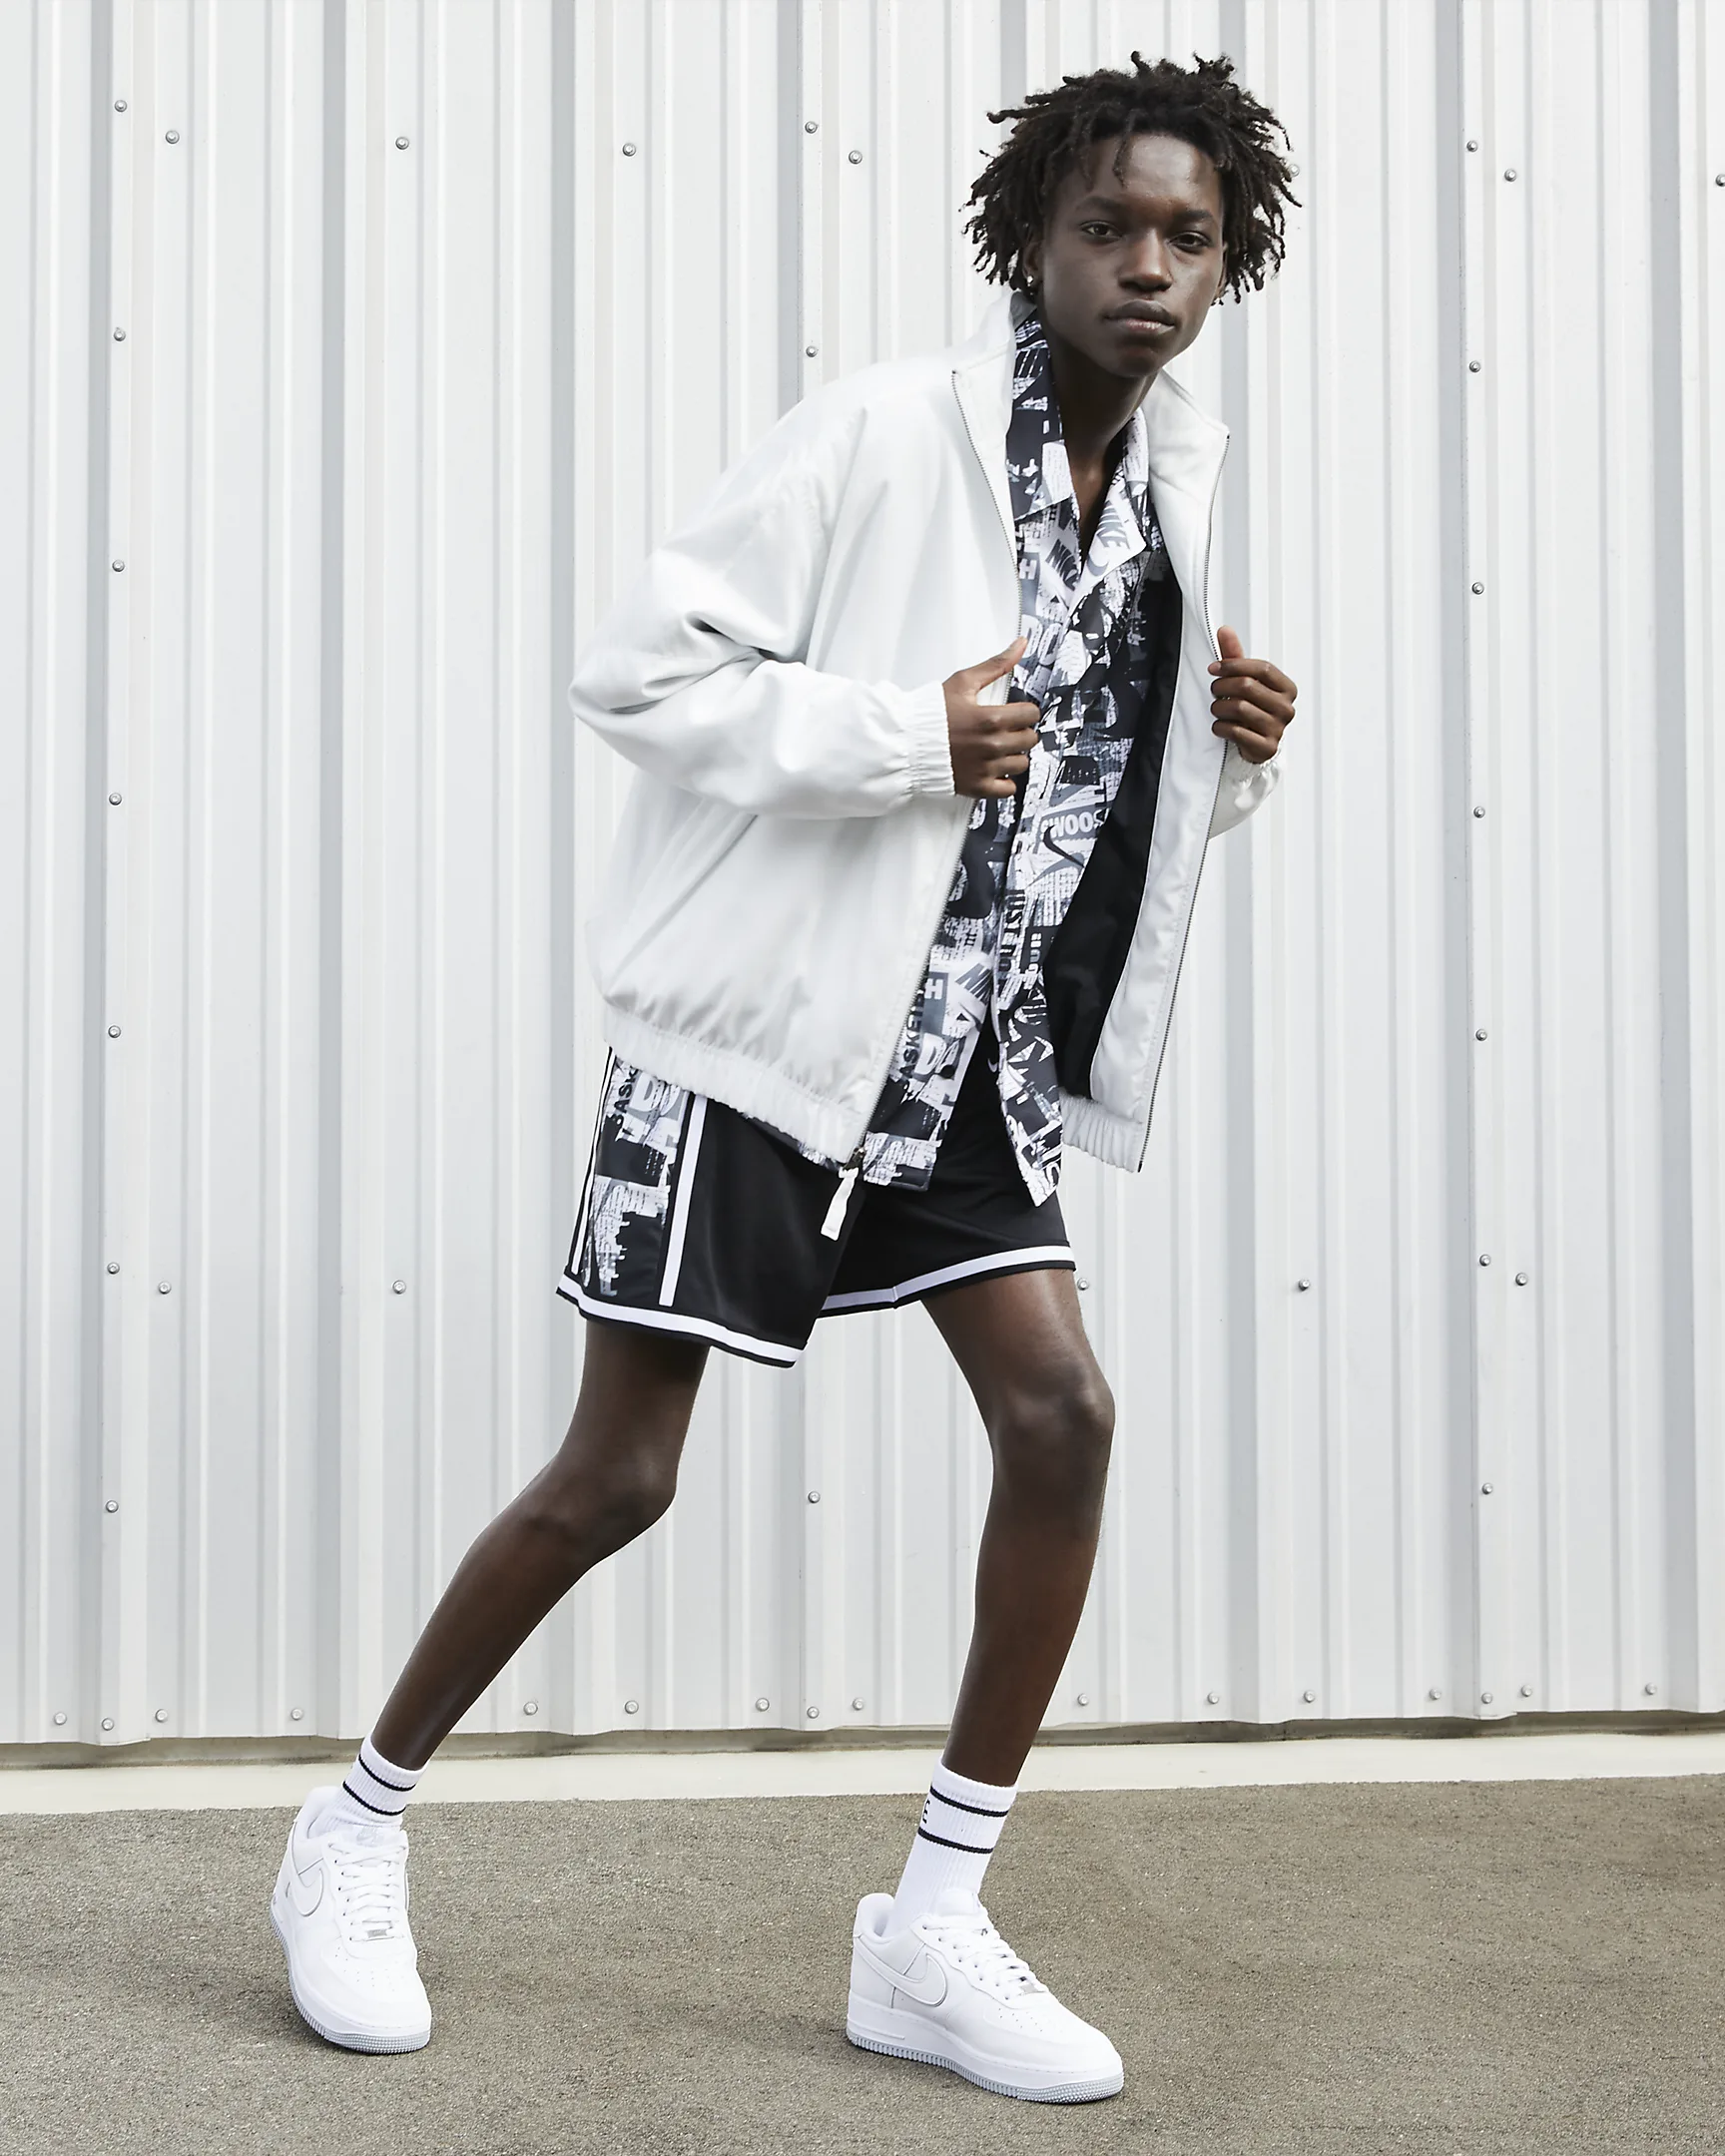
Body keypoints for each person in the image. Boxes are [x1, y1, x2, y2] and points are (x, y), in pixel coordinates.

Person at [271, 49, 1300, 2103]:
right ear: (1031, 241)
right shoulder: (883, 436)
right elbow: (640, 670)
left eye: (1188, 237)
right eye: (1108, 226)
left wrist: (1230, 757)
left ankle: (929, 1927)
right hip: (757, 1035)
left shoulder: (1164, 504)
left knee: (1064, 1416)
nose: (1148, 267)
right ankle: (352, 1831)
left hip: (967, 1057)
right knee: (621, 1478)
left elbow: (1067, 807)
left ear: (1228, 265)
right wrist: (900, 735)